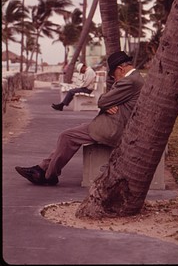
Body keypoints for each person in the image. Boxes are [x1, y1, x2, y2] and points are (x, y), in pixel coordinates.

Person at [15, 51, 145, 186]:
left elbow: (102, 100)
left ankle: (49, 176)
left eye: (113, 75)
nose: (114, 78)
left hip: (112, 128)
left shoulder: (129, 81)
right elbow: (108, 101)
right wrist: (108, 104)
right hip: (113, 123)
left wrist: (106, 103)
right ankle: (41, 168)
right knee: (71, 135)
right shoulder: (136, 78)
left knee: (67, 136)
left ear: (120, 69)